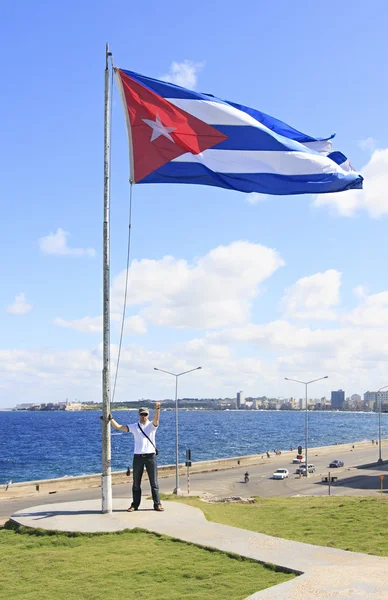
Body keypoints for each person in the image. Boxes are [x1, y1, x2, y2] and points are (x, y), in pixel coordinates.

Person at [108, 404, 164, 512]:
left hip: (150, 456)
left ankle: (157, 504)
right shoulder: (134, 426)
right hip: (138, 456)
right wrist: (111, 419)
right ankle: (135, 505)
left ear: (148, 415)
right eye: (142, 414)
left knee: (154, 482)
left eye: (145, 414)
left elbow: (156, 419)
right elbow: (119, 427)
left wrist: (157, 409)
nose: (143, 416)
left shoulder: (151, 426)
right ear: (139, 415)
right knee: (136, 483)